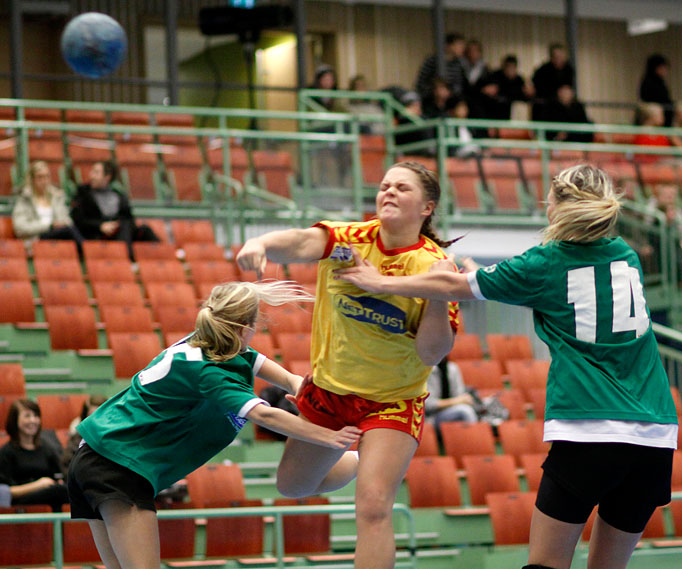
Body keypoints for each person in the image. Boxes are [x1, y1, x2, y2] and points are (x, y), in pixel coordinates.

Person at [337, 163, 678, 569]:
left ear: (554, 208)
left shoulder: (547, 262)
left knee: (545, 565)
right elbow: (517, 283)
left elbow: (454, 288)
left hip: (590, 428)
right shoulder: (626, 255)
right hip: (657, 437)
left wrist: (379, 282)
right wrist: (477, 271)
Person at [236, 161, 460, 569]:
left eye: (402, 188)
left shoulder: (434, 267)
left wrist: (439, 294)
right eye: (384, 185)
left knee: (374, 508)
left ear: (427, 207)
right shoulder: (350, 243)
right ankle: (358, 461)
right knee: (292, 485)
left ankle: (376, 463)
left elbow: (432, 353)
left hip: (393, 402)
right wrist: (263, 243)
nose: (388, 191)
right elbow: (303, 242)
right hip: (328, 392)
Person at [67, 281, 361, 569]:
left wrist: (303, 391)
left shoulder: (211, 343)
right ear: (245, 328)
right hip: (117, 466)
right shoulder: (210, 372)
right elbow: (266, 416)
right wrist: (329, 436)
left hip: (92, 457)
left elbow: (284, 377)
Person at [70, 161, 159, 261]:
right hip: (97, 233)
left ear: (107, 177)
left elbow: (129, 218)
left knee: (144, 229)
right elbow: (78, 219)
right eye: (92, 171)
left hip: (119, 230)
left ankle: (168, 260)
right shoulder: (83, 193)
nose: (91, 176)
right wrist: (100, 226)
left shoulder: (118, 195)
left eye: (96, 172)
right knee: (124, 227)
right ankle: (127, 261)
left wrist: (116, 225)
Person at [0, 399, 70, 512]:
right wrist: (39, 485)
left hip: (50, 495)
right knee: (58, 491)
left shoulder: (47, 448)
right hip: (21, 501)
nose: (33, 420)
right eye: (27, 416)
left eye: (36, 416)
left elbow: (57, 476)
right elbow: (4, 492)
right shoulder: (6, 452)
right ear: (15, 420)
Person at [12, 160, 84, 249]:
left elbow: (66, 220)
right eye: (40, 177)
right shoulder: (24, 198)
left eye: (46, 177)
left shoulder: (56, 196)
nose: (44, 181)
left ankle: (87, 253)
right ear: (32, 179)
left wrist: (60, 224)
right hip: (36, 238)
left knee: (72, 229)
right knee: (70, 231)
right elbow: (20, 228)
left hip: (57, 236)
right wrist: (49, 226)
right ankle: (87, 252)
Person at [60, 394, 108, 478]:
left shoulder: (117, 438)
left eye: (100, 416)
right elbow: (67, 468)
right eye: (91, 416)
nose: (96, 421)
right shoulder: (76, 438)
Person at [426, 357, 479, 427]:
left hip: (451, 412)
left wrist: (461, 400)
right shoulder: (427, 370)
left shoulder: (452, 368)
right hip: (432, 417)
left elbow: (460, 397)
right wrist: (456, 401)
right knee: (466, 411)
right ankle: (475, 436)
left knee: (468, 409)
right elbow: (428, 405)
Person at [415, 33, 467, 104]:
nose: (462, 48)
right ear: (449, 46)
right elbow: (421, 83)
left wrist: (449, 92)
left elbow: (458, 84)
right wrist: (435, 91)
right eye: (459, 45)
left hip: (450, 99)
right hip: (430, 98)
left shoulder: (458, 63)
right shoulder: (432, 60)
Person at [532, 44, 575, 121]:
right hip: (546, 105)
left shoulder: (568, 69)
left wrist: (566, 95)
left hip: (563, 106)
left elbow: (569, 87)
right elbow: (535, 88)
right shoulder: (543, 70)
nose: (558, 59)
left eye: (560, 56)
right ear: (551, 57)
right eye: (556, 57)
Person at [489, 55, 534, 120]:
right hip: (497, 112)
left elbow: (525, 97)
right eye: (508, 67)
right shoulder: (495, 76)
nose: (510, 70)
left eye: (512, 67)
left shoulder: (519, 80)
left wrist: (529, 93)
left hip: (515, 115)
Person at [639, 54, 674, 127]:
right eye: (662, 67)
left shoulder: (661, 82)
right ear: (656, 68)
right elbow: (646, 99)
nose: (665, 70)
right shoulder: (648, 81)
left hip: (664, 110)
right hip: (654, 110)